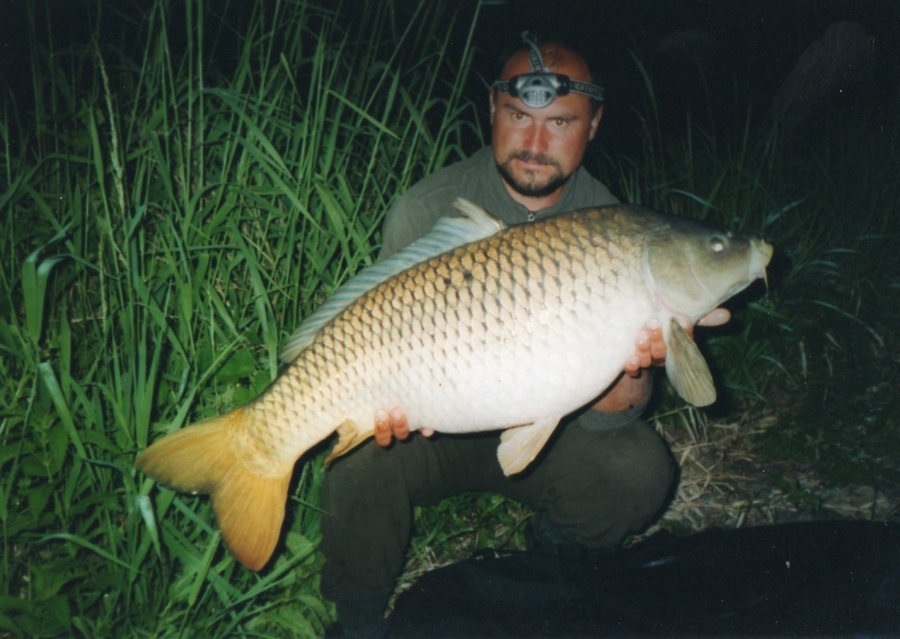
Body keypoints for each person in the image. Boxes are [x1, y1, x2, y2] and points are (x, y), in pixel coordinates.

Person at [320, 32, 728, 638]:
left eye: (560, 122)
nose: (535, 143)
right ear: (492, 109)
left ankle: (548, 559)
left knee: (640, 469)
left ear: (593, 125)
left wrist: (633, 370)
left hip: (552, 428)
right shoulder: (425, 209)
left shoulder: (616, 226)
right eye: (518, 116)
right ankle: (356, 620)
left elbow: (608, 418)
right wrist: (385, 402)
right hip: (437, 428)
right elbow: (381, 333)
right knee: (355, 458)